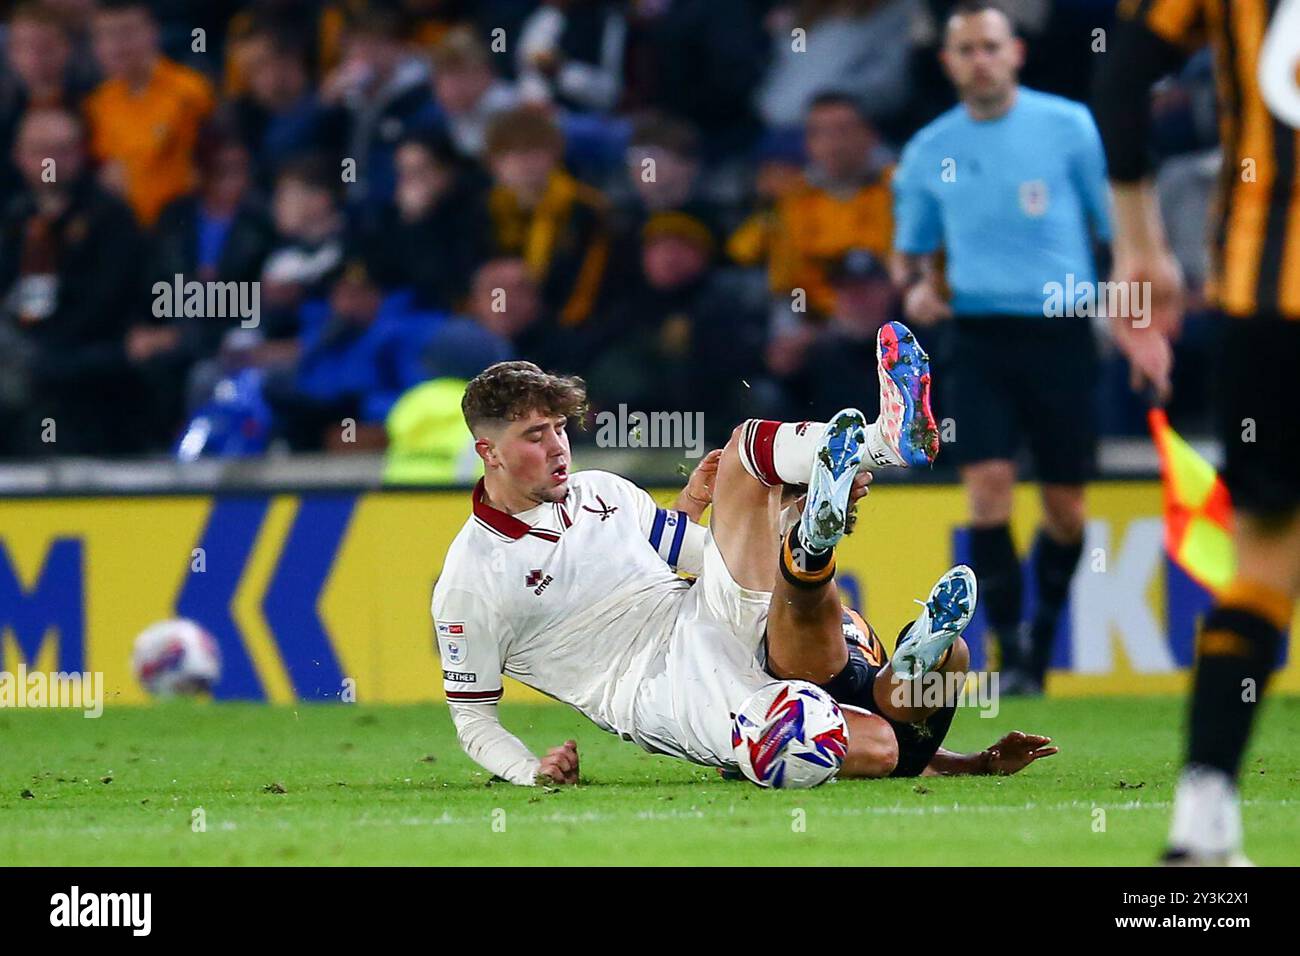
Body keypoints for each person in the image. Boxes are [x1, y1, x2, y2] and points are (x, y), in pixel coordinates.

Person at [432, 319, 951, 786]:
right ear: (488, 452)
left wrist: (768, 512)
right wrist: (529, 770)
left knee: (744, 453)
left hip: (704, 610)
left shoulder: (601, 491)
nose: (557, 448)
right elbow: (474, 720)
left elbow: (702, 554)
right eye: (534, 436)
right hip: (663, 692)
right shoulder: (470, 579)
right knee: (876, 748)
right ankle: (812, 546)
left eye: (561, 429)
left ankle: (880, 442)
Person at [1093, 0, 1300, 866]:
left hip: (1267, 304)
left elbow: (1119, 79)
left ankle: (1203, 814)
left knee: (1263, 564)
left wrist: (1138, 245)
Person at [891, 0, 1111, 695]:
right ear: (948, 62)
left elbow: (1115, 225)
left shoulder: (1069, 126)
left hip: (1062, 333)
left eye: (991, 46)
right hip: (978, 335)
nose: (980, 59)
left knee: (1066, 505)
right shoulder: (930, 148)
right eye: (967, 49)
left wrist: (1134, 310)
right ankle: (1012, 652)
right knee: (987, 490)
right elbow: (912, 256)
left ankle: (1042, 639)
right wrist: (920, 289)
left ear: (1015, 51)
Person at [84, 0, 216, 227]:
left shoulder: (191, 91)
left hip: (181, 227)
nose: (118, 46)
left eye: (127, 32)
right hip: (125, 231)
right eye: (106, 35)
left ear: (152, 33)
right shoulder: (97, 103)